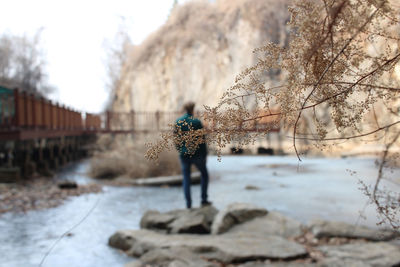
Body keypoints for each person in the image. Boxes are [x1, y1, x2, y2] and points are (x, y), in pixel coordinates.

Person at [174, 101, 211, 209]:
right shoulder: (196, 122)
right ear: (193, 109)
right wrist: (205, 155)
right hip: (197, 154)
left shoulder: (178, 122)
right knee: (204, 175)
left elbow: (176, 139)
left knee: (186, 179)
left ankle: (188, 204)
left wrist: (180, 150)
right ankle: (204, 200)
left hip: (184, 155)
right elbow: (201, 140)